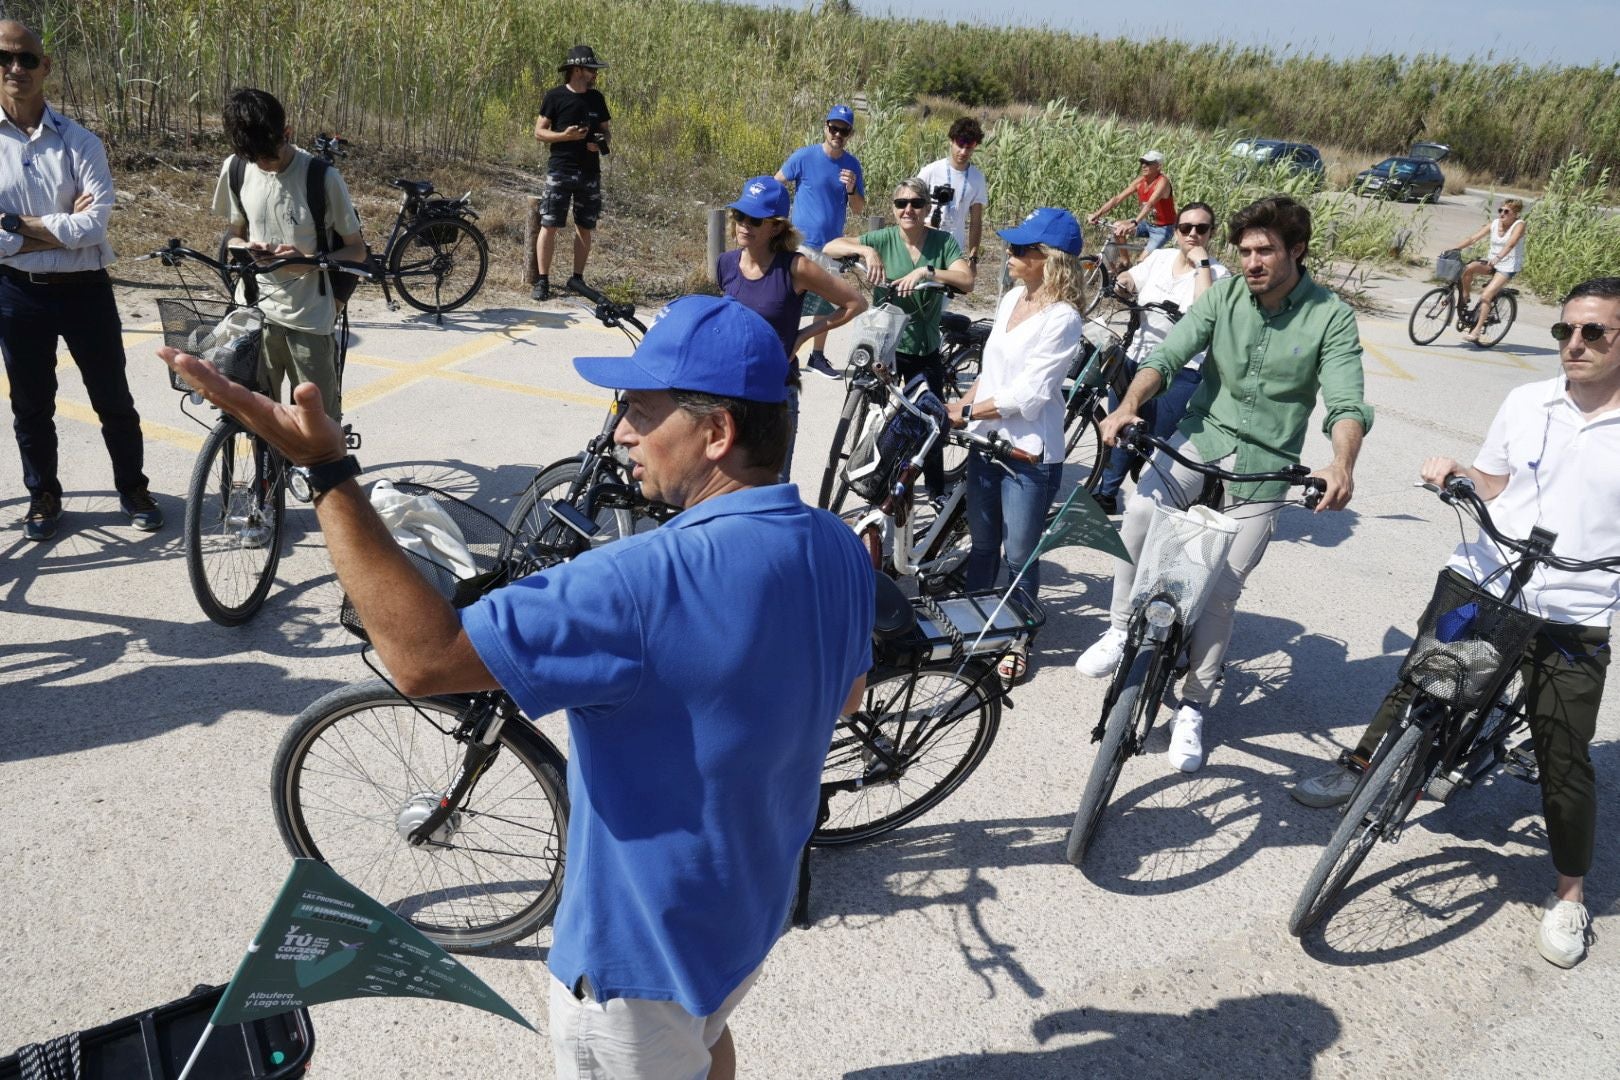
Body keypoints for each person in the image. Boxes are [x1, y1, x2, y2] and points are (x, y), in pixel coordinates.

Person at [158, 293, 874, 1079]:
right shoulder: (835, 544)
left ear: (717, 433)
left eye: (639, 408)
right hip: (745, 914)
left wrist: (327, 473)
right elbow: (846, 696)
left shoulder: (637, 582)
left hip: (635, 965)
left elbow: (424, 659)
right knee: (702, 1036)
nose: (621, 431)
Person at [1292, 277, 1620, 970]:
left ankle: (1568, 894)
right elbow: (1497, 482)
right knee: (1424, 678)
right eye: (1565, 331)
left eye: (1595, 332)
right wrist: (1456, 472)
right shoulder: (1527, 401)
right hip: (1491, 573)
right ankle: (1360, 768)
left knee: (1563, 755)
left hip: (1574, 609)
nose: (1574, 344)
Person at [1074, 195, 1373, 773]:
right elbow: (1170, 353)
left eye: (1266, 251)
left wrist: (1341, 464)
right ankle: (1117, 629)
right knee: (1138, 514)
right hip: (1203, 437)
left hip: (1265, 463)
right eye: (1245, 251)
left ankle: (1193, 705)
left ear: (1297, 251)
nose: (1253, 262)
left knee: (1222, 590)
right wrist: (1130, 404)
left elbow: (1345, 402)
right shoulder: (1227, 294)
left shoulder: (1331, 316)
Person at [0, 19, 161, 541]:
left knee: (112, 397)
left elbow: (95, 225)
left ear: (46, 67)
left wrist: (13, 226)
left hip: (86, 290)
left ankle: (133, 486)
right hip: (16, 293)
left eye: (26, 58)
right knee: (31, 405)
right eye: (3, 58)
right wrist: (61, 231)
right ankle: (43, 495)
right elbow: (77, 228)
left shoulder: (80, 141)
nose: (15, 68)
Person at [945, 208, 1085, 682]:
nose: (1010, 253)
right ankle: (968, 625)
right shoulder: (1011, 301)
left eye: (1022, 249)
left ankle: (1017, 635)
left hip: (1028, 455)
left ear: (1050, 260)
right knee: (983, 545)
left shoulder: (1063, 319)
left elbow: (1029, 395)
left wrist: (968, 413)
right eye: (1012, 246)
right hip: (987, 443)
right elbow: (990, 372)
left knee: (1019, 555)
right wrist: (958, 405)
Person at [215, 87, 365, 423]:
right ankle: (269, 476)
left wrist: (305, 261)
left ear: (287, 133)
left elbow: (357, 250)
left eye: (271, 156)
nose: (265, 165)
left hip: (308, 319)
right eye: (256, 159)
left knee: (317, 427)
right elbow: (234, 233)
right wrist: (242, 249)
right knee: (253, 418)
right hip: (252, 311)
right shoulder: (237, 168)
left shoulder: (322, 178)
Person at [824, 178, 973, 500]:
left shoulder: (942, 243)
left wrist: (927, 272)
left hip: (922, 345)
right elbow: (829, 246)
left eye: (916, 203)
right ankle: (879, 477)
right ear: (893, 208)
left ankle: (935, 491)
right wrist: (864, 250)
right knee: (880, 420)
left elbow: (966, 279)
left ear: (927, 207)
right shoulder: (883, 239)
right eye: (901, 203)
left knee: (930, 423)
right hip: (886, 345)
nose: (908, 209)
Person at [716, 175, 865, 484]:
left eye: (755, 220)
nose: (744, 224)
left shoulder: (795, 268)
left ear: (776, 226)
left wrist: (803, 337)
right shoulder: (726, 264)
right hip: (730, 389)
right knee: (727, 486)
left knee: (772, 488)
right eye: (740, 215)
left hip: (775, 393)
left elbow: (854, 303)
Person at [1092, 201, 1231, 514]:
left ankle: (1157, 499)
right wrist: (1124, 282)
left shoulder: (1219, 274)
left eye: (1201, 228)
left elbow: (1204, 311)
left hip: (1183, 369)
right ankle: (1106, 494)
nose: (1192, 234)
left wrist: (1202, 265)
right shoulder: (1161, 257)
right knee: (1119, 425)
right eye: (1185, 228)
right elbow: (1132, 279)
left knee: (1157, 439)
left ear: (1212, 233)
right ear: (1176, 231)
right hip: (1136, 355)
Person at [776, 104, 866, 380]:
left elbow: (860, 208)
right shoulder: (804, 156)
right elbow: (777, 182)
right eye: (834, 127)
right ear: (825, 127)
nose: (838, 133)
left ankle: (816, 356)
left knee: (826, 304)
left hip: (832, 247)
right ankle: (781, 353)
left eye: (844, 130)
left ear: (850, 134)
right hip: (800, 244)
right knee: (789, 299)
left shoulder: (852, 165)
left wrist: (852, 189)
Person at [531, 45, 612, 302]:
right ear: (577, 69)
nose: (594, 75)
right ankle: (542, 281)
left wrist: (597, 142)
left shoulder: (597, 98)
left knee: (584, 226)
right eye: (591, 70)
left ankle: (577, 279)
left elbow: (606, 132)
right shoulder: (555, 96)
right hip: (561, 169)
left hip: (589, 171)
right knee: (550, 224)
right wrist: (564, 136)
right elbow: (539, 132)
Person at [916, 117, 987, 287]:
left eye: (969, 147)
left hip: (952, 249)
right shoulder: (931, 171)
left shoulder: (977, 178)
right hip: (924, 242)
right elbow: (910, 204)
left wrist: (973, 258)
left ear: (975, 147)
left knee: (941, 299)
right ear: (951, 141)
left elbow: (976, 222)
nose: (963, 152)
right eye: (960, 145)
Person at [1453, 198, 1526, 344]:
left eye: (1506, 211)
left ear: (1515, 214)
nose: (1502, 213)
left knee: (1486, 296)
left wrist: (1498, 258)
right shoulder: (1494, 224)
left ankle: (1476, 331)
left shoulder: (1519, 225)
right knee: (1468, 268)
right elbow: (1474, 238)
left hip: (1507, 266)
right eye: (1501, 210)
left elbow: (1511, 243)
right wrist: (1454, 249)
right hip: (1492, 262)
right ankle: (1466, 297)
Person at [1088, 149, 1176, 256]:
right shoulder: (1140, 182)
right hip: (1147, 224)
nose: (1143, 165)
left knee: (1142, 262)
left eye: (1148, 163)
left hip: (1163, 229)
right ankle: (1125, 262)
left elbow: (1150, 204)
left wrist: (1133, 223)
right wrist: (1097, 214)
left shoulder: (1163, 182)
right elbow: (1117, 199)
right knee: (1117, 227)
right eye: (1142, 162)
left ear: (1159, 166)